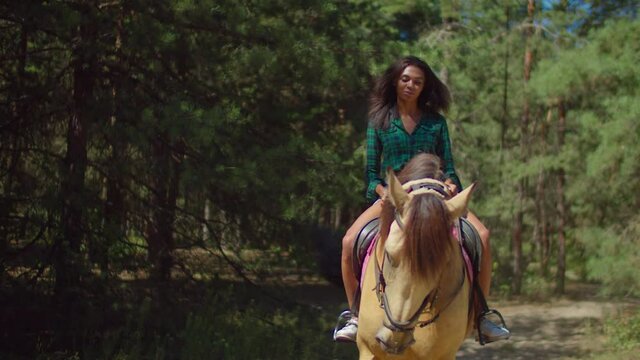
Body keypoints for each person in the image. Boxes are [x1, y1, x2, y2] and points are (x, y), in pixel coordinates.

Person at [333, 55, 510, 343]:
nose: (411, 85)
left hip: (434, 197)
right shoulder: (379, 121)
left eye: (417, 81)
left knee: (484, 235)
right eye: (405, 79)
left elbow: (449, 166)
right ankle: (355, 314)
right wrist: (385, 193)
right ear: (395, 80)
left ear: (425, 86)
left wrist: (451, 184)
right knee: (349, 242)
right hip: (395, 197)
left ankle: (481, 315)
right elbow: (371, 175)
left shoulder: (436, 123)